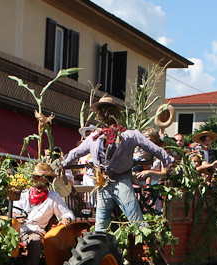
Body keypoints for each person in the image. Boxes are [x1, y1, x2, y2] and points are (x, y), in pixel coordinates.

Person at [63, 95, 174, 231]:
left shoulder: (128, 135)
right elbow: (75, 153)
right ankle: (104, 241)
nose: (104, 114)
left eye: (106, 111)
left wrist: (169, 162)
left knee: (135, 221)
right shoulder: (96, 137)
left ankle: (146, 240)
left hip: (121, 182)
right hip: (103, 183)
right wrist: (62, 164)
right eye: (103, 111)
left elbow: (155, 149)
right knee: (103, 225)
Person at [12, 162, 75, 265]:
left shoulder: (53, 197)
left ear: (46, 179)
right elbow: (12, 210)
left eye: (38, 176)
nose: (35, 179)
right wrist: (16, 215)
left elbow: (67, 213)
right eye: (34, 176)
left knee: (35, 241)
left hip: (35, 230)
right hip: (16, 228)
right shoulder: (23, 193)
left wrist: (65, 219)